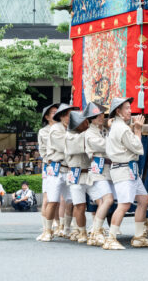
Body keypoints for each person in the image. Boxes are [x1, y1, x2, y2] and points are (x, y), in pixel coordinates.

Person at [104, 96, 148, 250]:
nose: (130, 111)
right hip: (123, 168)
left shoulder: (118, 126)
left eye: (129, 108)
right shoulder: (122, 128)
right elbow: (138, 148)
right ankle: (111, 238)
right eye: (126, 108)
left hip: (128, 169)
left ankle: (139, 236)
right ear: (118, 112)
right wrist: (138, 130)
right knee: (124, 204)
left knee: (144, 199)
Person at [42, 103, 79, 242]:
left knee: (71, 201)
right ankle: (48, 230)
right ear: (62, 116)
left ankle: (67, 229)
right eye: (70, 114)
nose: (72, 117)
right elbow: (66, 147)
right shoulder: (55, 129)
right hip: (56, 168)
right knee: (53, 200)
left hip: (69, 168)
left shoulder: (72, 128)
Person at [83, 101, 114, 247]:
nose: (101, 117)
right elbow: (105, 145)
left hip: (107, 169)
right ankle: (95, 231)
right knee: (107, 199)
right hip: (97, 170)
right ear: (91, 119)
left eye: (102, 114)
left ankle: (98, 230)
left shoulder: (104, 130)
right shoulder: (89, 133)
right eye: (97, 116)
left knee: (105, 201)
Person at [65, 110, 91, 243]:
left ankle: (96, 228)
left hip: (90, 173)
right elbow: (78, 146)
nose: (87, 124)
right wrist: (92, 129)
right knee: (79, 205)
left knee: (104, 200)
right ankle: (81, 231)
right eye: (84, 122)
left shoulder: (85, 133)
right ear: (76, 124)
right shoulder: (70, 136)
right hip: (75, 174)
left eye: (88, 121)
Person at [37, 102, 59, 240]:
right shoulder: (44, 131)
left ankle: (62, 226)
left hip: (64, 166)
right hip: (50, 166)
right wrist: (51, 161)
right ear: (46, 117)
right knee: (47, 198)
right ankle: (46, 228)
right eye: (53, 112)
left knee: (62, 199)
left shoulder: (63, 128)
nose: (56, 114)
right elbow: (43, 151)